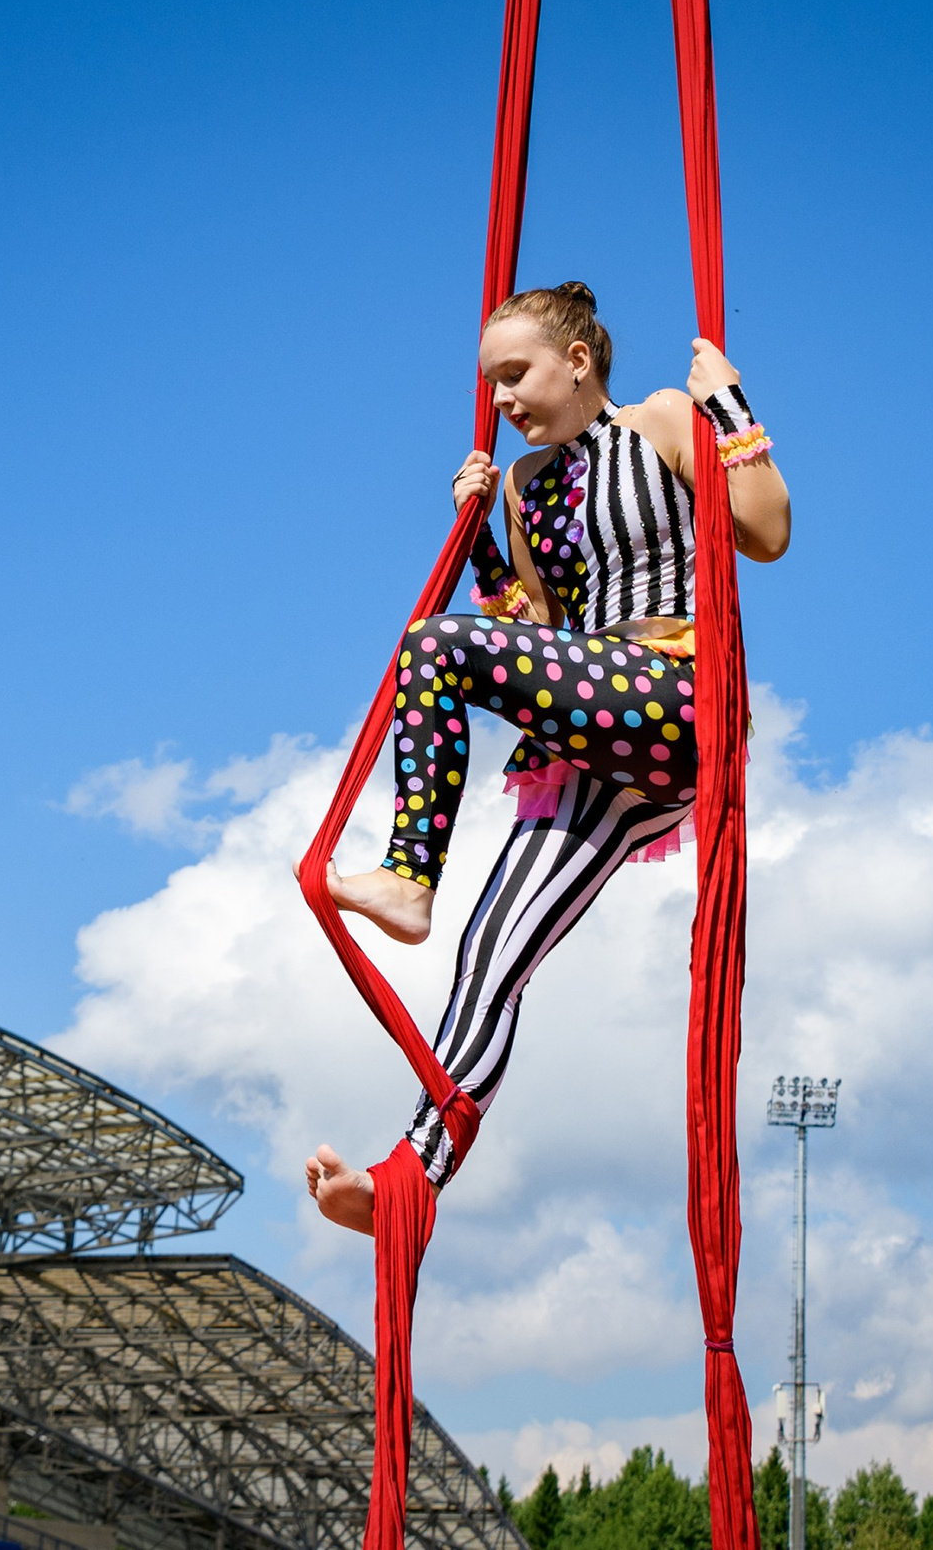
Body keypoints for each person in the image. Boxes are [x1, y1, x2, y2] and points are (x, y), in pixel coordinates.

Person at [313, 281, 790, 1233]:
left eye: (514, 375)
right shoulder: (531, 487)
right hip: (601, 737)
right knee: (494, 951)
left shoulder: (660, 420)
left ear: (578, 361)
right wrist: (485, 538)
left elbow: (767, 531)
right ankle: (412, 1179)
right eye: (490, 386)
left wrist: (729, 405)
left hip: (672, 691)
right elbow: (535, 631)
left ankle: (411, 873)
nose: (501, 401)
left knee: (434, 647)